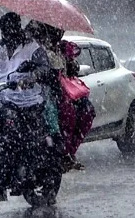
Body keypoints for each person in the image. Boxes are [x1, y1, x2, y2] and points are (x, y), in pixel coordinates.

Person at [0, 12, 51, 197]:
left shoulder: (33, 48)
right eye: (5, 31)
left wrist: (32, 77)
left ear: (17, 28)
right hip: (2, 99)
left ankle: (23, 174)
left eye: (11, 30)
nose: (8, 36)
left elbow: (45, 68)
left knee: (19, 137)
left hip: (28, 101)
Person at [26, 20, 93, 171]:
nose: (60, 33)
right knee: (59, 116)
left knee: (84, 112)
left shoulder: (61, 49)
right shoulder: (33, 49)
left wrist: (70, 65)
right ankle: (61, 152)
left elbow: (67, 71)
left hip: (62, 92)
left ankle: (66, 152)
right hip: (43, 92)